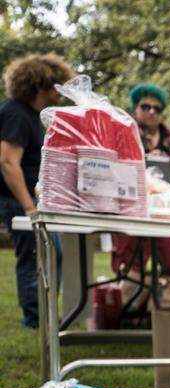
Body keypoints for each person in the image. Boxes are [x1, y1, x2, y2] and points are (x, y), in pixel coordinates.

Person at [0, 53, 74, 328]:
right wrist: (29, 207)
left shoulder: (31, 116)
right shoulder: (16, 113)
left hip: (32, 199)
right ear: (42, 84)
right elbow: (8, 162)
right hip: (18, 201)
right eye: (59, 86)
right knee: (34, 259)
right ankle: (36, 319)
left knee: (50, 253)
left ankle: (45, 316)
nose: (62, 92)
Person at [111, 83, 170, 279]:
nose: (151, 112)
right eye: (145, 107)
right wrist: (146, 157)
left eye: (157, 108)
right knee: (130, 266)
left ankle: (164, 301)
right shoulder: (124, 131)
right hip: (132, 209)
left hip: (168, 211)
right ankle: (135, 302)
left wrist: (168, 159)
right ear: (135, 108)